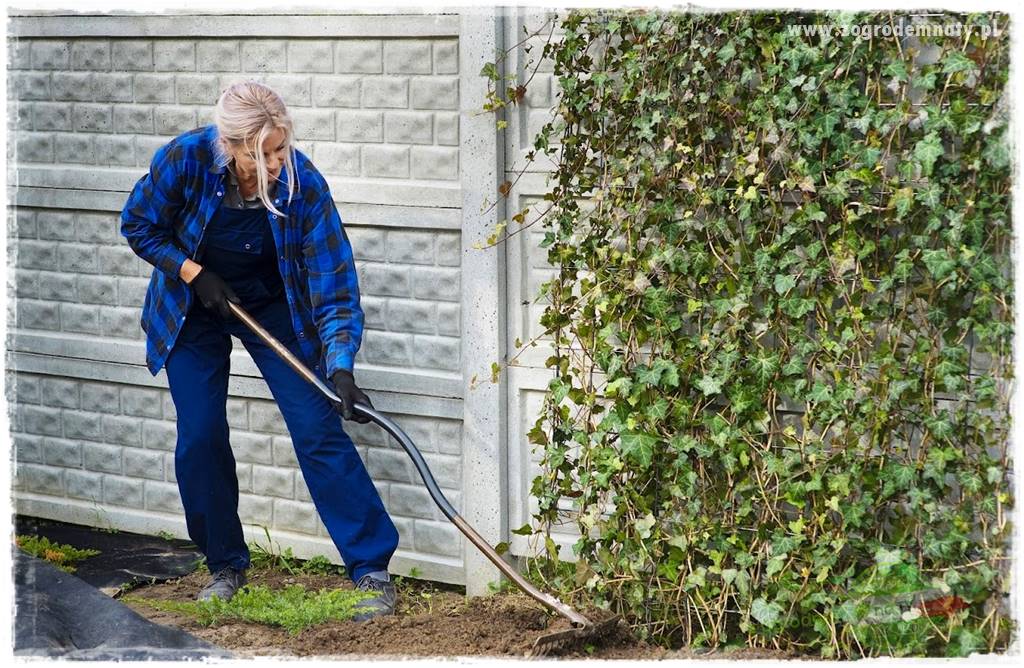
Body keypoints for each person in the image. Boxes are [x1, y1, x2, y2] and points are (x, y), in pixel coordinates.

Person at [120, 81, 399, 621]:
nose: (277, 161)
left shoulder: (303, 184)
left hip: (275, 306)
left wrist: (339, 366)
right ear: (231, 145)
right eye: (264, 151)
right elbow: (138, 224)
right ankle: (225, 565)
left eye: (281, 148)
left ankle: (371, 569)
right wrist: (193, 272)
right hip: (192, 305)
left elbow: (333, 283)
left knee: (317, 426)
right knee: (200, 434)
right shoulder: (185, 160)